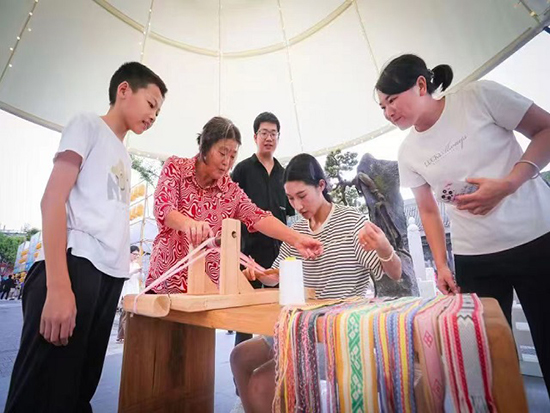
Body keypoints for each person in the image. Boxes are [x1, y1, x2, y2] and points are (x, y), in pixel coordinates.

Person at [375, 53, 550, 396]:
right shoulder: (408, 152)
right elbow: (427, 210)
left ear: (421, 85)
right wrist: (441, 264)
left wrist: (509, 184)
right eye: (382, 107)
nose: (388, 112)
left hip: (536, 238)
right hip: (476, 258)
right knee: (488, 358)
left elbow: (545, 129)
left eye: (392, 100)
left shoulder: (478, 97)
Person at [5, 62, 167, 412]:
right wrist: (58, 287)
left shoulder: (123, 154)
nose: (154, 116)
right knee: (40, 396)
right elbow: (52, 199)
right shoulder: (87, 124)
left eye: (158, 111)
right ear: (124, 90)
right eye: (151, 104)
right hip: (74, 266)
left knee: (77, 393)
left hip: (108, 277)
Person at [230, 153, 402, 413]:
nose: (297, 205)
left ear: (321, 185)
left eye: (302, 195)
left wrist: (384, 248)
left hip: (336, 331)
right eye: (290, 199)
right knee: (239, 357)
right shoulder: (297, 231)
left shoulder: (351, 222)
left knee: (261, 384)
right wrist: (258, 272)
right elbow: (275, 275)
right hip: (299, 327)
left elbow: (394, 273)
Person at [146, 117, 322, 295]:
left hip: (208, 293)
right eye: (222, 153)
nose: (227, 162)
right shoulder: (176, 168)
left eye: (232, 156)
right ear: (205, 147)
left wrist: (297, 239)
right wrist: (189, 224)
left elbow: (258, 217)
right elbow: (163, 208)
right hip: (166, 284)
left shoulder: (230, 191)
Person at [231, 112, 294, 347]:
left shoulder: (285, 174)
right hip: (248, 257)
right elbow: (231, 210)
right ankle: (241, 366)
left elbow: (290, 213)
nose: (269, 138)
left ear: (278, 137)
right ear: (255, 137)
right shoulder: (242, 170)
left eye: (273, 134)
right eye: (264, 133)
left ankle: (277, 364)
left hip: (278, 258)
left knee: (278, 316)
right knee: (245, 320)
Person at [117, 245, 143, 343]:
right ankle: (127, 336)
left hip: (134, 292)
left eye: (137, 255)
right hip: (126, 292)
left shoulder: (136, 265)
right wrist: (133, 272)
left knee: (127, 314)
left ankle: (121, 336)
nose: (136, 256)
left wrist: (140, 272)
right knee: (125, 314)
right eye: (134, 254)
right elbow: (124, 277)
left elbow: (141, 279)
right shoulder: (124, 264)